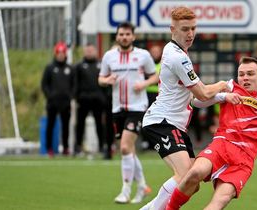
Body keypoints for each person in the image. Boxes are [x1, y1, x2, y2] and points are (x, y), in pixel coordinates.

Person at [166, 55, 257, 210]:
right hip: (222, 145)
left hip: (244, 159)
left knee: (220, 201)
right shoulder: (229, 87)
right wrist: (223, 96)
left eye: (250, 74)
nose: (245, 78)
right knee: (195, 172)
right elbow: (196, 101)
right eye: (241, 74)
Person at [140, 7, 229, 210]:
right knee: (185, 177)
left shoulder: (178, 52)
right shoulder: (177, 56)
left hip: (175, 125)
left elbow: (195, 99)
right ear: (173, 29)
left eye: (193, 29)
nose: (190, 34)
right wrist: (224, 84)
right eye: (185, 29)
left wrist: (222, 96)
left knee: (192, 184)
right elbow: (203, 93)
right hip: (162, 122)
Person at [98, 21, 158, 204]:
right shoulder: (109, 56)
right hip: (117, 108)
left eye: (127, 34)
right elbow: (100, 78)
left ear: (133, 36)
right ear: (117, 36)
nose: (124, 37)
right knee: (129, 150)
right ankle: (142, 186)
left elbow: (155, 75)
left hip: (137, 107)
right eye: (121, 34)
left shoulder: (143, 55)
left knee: (124, 147)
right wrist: (107, 80)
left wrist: (145, 84)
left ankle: (125, 190)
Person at [73, 44, 113, 159]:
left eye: (91, 50)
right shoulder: (79, 66)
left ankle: (101, 146)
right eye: (87, 50)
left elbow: (105, 82)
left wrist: (104, 97)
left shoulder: (101, 65)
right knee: (80, 124)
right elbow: (75, 83)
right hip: (83, 100)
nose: (89, 52)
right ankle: (78, 147)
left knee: (99, 124)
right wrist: (76, 97)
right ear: (84, 52)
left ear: (96, 51)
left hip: (98, 100)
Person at [41, 41, 75, 157]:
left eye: (62, 53)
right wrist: (50, 96)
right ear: (55, 54)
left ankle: (65, 148)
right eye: (58, 53)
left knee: (66, 127)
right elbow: (44, 84)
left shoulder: (70, 68)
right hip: (52, 103)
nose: (60, 55)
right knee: (50, 125)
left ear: (65, 54)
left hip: (66, 103)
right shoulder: (50, 68)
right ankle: (49, 148)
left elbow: (74, 84)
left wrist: (70, 96)